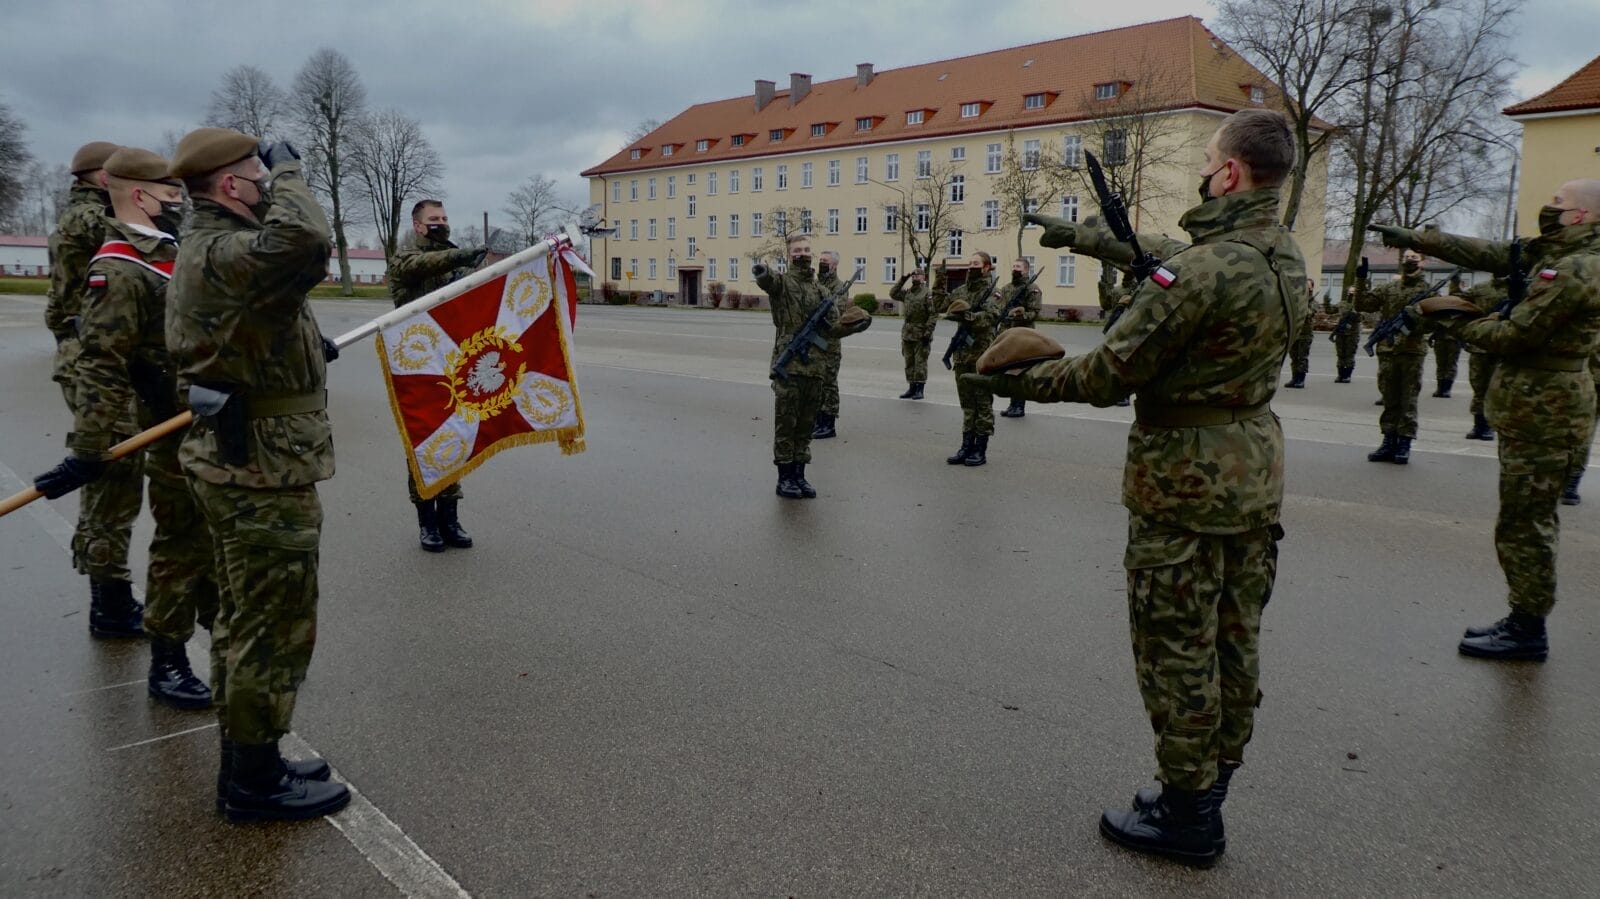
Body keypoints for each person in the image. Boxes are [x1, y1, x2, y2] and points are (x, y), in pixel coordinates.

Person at [978, 108, 1304, 867]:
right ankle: (1209, 785)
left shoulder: (1199, 272)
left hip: (1184, 484)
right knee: (1233, 637)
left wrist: (1014, 378)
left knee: (1177, 649)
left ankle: (1189, 816)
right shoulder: (1283, 254)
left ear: (1227, 173)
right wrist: (1093, 238)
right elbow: (1180, 257)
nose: (1204, 170)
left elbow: (1106, 371)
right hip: (1252, 474)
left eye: (1209, 159)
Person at [165, 127, 348, 821]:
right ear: (233, 186)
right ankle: (252, 781)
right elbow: (303, 239)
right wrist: (293, 168)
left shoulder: (216, 251)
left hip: (246, 464)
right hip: (259, 476)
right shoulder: (220, 249)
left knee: (248, 618)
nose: (273, 191)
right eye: (262, 180)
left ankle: (255, 757)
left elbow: (247, 328)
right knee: (268, 624)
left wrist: (301, 350)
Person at [1373, 179, 1600, 661]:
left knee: (1526, 522)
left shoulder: (1576, 268)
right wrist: (1419, 238)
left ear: (1581, 216)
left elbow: (1516, 335)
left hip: (1547, 410)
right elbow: (1490, 252)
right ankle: (1524, 617)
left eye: (1558, 203)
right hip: (1536, 407)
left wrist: (1448, 316)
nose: (1549, 207)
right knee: (1523, 518)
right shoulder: (1556, 252)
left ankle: (1527, 627)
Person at [37, 148, 220, 708]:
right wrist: (89, 448)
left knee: (209, 534)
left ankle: (231, 643)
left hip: (197, 419)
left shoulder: (170, 251)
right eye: (169, 192)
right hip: (163, 422)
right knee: (180, 537)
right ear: (140, 194)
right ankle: (163, 657)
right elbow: (101, 363)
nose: (178, 201)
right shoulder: (117, 264)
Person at [39, 140, 148, 637]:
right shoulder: (90, 220)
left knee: (118, 479)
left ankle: (112, 597)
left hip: (100, 353)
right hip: (95, 360)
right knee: (112, 479)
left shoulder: (85, 216)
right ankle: (110, 602)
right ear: (105, 180)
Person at [386, 200, 485, 551]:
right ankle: (427, 522)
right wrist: (461, 257)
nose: (441, 223)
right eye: (434, 220)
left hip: (452, 364)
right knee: (424, 443)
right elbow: (423, 265)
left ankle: (450, 518)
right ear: (417, 225)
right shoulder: (405, 258)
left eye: (444, 218)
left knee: (455, 438)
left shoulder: (455, 257)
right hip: (416, 366)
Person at [757, 235, 839, 498]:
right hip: (789, 368)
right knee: (786, 425)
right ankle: (785, 478)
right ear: (789, 254)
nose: (802, 254)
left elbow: (833, 327)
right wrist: (761, 271)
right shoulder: (783, 284)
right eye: (797, 250)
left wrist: (854, 324)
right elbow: (768, 280)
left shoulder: (821, 290)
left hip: (815, 368)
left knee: (805, 427)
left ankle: (800, 475)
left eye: (806, 249)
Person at [1354, 249, 1430, 463]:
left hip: (1412, 351)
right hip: (1388, 351)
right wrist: (1361, 279)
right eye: (1407, 257)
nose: (1410, 260)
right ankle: (1388, 441)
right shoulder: (1390, 288)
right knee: (1389, 398)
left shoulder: (1428, 291)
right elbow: (1362, 304)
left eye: (1415, 257)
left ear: (1422, 262)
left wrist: (1416, 320)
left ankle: (1404, 443)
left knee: (1409, 399)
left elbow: (1436, 323)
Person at [945, 252, 1002, 466]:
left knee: (983, 402)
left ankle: (980, 448)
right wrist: (942, 277)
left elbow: (991, 317)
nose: (971, 267)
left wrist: (969, 316)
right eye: (970, 263)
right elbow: (943, 305)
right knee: (967, 404)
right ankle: (966, 445)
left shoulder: (992, 293)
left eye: (976, 263)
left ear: (987, 267)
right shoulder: (962, 290)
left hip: (982, 355)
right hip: (962, 355)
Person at [1454, 275, 1505, 441]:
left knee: (1495, 389)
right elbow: (1458, 301)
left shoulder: (1517, 289)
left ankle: (1489, 426)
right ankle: (1478, 425)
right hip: (1479, 346)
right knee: (1478, 388)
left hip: (1500, 346)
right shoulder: (1480, 288)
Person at [812, 250, 853, 438]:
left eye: (825, 261)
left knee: (829, 383)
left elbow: (839, 314)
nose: (821, 263)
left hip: (830, 343)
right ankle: (818, 421)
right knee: (816, 383)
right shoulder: (815, 283)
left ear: (835, 265)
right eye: (820, 260)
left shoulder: (839, 287)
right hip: (814, 341)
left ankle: (829, 424)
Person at [995, 258, 1042, 418]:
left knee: (1020, 372)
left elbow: (1034, 312)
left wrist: (1019, 316)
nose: (1015, 269)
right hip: (1006, 334)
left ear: (1026, 270)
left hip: (1023, 335)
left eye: (1019, 267)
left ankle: (1019, 406)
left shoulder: (1032, 288)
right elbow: (998, 308)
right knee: (1008, 372)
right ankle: (1012, 404)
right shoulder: (1006, 288)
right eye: (1014, 266)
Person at [893, 266, 939, 399]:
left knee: (920, 362)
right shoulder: (908, 293)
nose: (915, 277)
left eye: (917, 275)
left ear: (924, 277)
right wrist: (902, 280)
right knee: (909, 361)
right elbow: (893, 293)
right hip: (907, 333)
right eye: (913, 276)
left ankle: (920, 389)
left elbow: (933, 315)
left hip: (921, 333)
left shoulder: (927, 293)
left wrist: (928, 333)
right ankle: (911, 388)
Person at [1431, 277, 1463, 397]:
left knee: (1449, 364)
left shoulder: (1462, 303)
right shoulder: (1444, 302)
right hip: (1442, 338)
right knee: (1444, 364)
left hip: (1453, 339)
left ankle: (1445, 389)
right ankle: (1441, 388)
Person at [1284, 279, 1317, 388]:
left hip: (1305, 334)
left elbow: (1309, 314)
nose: (1306, 288)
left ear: (1312, 288)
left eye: (1308, 286)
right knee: (1294, 357)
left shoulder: (1313, 302)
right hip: (1295, 333)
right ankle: (1294, 378)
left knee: (1302, 357)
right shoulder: (1298, 300)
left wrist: (1306, 304)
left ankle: (1301, 379)